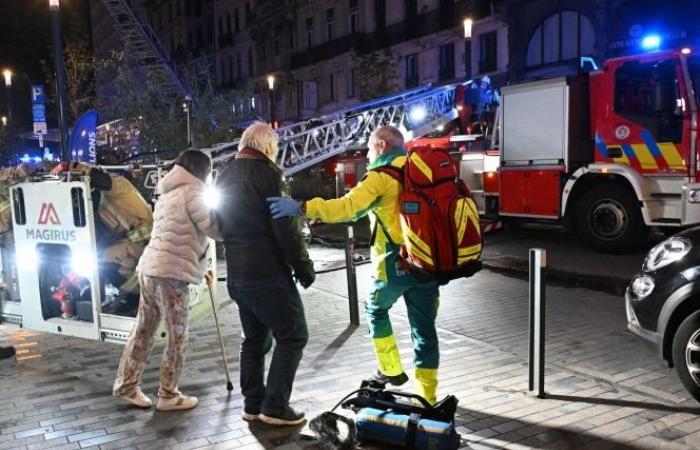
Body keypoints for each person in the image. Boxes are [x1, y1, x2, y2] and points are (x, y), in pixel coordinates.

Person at [268, 125, 442, 404]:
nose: (369, 154)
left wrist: (303, 206)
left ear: (382, 145)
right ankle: (428, 396)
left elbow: (347, 208)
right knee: (425, 331)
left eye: (370, 148)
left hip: (393, 263)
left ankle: (390, 369)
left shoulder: (382, 176)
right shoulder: (424, 170)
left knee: (375, 309)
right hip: (430, 262)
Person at [216, 122, 314, 426]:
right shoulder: (270, 175)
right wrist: (304, 267)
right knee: (294, 334)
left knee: (255, 339)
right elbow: (285, 229)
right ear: (269, 147)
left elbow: (220, 224)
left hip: (238, 274)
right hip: (268, 273)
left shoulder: (225, 174)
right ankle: (275, 407)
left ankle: (252, 404)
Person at [113, 150, 219, 411]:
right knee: (177, 335)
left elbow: (181, 235)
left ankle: (127, 385)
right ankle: (169, 395)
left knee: (144, 329)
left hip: (150, 269)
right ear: (202, 171)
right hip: (170, 274)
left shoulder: (167, 193)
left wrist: (198, 263)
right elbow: (216, 229)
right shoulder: (193, 193)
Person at [51, 161, 153, 316]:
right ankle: (95, 290)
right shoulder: (105, 208)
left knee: (100, 259)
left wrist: (71, 168)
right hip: (131, 254)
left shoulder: (122, 192)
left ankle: (129, 296)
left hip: (141, 252)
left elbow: (106, 181)